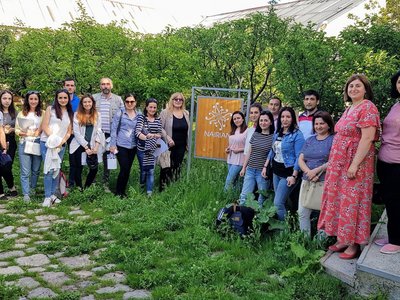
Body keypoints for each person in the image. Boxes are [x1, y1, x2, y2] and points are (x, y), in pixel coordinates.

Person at [318, 74, 380, 260]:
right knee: (340, 200)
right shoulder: (350, 108)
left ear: (365, 89)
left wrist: (354, 164)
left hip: (355, 164)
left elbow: (367, 138)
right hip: (340, 164)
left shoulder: (368, 107)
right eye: (350, 86)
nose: (353, 89)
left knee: (352, 202)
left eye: (357, 86)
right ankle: (343, 238)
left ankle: (353, 245)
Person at [262, 107, 305, 221]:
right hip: (276, 172)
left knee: (278, 203)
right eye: (282, 117)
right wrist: (265, 166)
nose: (285, 119)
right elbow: (272, 151)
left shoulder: (297, 135)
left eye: (288, 117)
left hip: (288, 174)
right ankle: (287, 221)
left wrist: (294, 175)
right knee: (281, 201)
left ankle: (283, 230)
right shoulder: (278, 133)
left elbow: (299, 157)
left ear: (292, 119)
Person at [375, 70, 400, 254]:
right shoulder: (396, 105)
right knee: (390, 201)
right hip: (385, 161)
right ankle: (393, 235)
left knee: (396, 201)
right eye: (399, 82)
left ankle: (397, 241)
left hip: (398, 164)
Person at [297, 111, 334, 235]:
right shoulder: (310, 140)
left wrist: (316, 172)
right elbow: (301, 159)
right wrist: (309, 172)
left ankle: (320, 242)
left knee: (324, 213)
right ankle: (305, 240)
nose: (318, 126)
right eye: (316, 123)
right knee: (302, 212)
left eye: (322, 123)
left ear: (329, 124)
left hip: (324, 182)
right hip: (307, 180)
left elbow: (334, 160)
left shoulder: (333, 140)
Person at [40, 89, 73, 207]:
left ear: (68, 99)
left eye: (65, 98)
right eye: (60, 98)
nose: (63, 100)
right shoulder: (50, 109)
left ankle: (53, 195)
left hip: (60, 146)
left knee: (56, 170)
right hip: (47, 143)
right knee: (49, 169)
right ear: (56, 98)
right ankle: (47, 197)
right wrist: (54, 140)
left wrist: (62, 142)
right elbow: (44, 126)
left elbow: (69, 131)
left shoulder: (70, 112)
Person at [93, 77, 123, 191]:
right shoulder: (94, 98)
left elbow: (123, 116)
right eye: (103, 84)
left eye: (107, 84)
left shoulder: (117, 99)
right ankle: (93, 182)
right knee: (94, 158)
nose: (105, 86)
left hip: (110, 135)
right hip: (97, 134)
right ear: (100, 86)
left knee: (108, 159)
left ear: (111, 86)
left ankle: (105, 183)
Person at [239, 110, 274, 206]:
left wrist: (266, 168)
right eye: (261, 120)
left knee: (262, 197)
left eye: (266, 120)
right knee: (244, 195)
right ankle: (241, 215)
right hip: (250, 169)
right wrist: (244, 168)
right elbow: (249, 151)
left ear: (271, 122)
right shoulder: (255, 134)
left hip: (262, 172)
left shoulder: (273, 137)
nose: (263, 123)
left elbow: (271, 155)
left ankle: (258, 218)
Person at [69, 94, 103, 190]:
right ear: (82, 104)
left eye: (89, 102)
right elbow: (76, 132)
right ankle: (79, 187)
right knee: (77, 167)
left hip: (93, 144)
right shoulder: (77, 115)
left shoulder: (97, 115)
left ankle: (87, 187)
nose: (87, 104)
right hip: (79, 144)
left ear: (92, 103)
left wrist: (96, 146)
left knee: (94, 168)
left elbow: (99, 131)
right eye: (85, 102)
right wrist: (86, 147)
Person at [15, 91, 44, 202]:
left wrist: (39, 131)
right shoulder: (22, 113)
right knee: (25, 171)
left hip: (37, 142)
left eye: (35, 99)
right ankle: (26, 194)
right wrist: (24, 133)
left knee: (36, 169)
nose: (33, 101)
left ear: (38, 100)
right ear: (27, 100)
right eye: (31, 99)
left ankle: (32, 188)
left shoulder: (43, 113)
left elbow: (45, 127)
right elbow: (17, 129)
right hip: (24, 142)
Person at [109, 93, 139, 198]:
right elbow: (113, 129)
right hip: (121, 145)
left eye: (132, 101)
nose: (130, 103)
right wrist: (113, 144)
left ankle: (123, 191)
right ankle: (118, 192)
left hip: (133, 146)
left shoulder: (139, 114)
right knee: (124, 168)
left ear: (135, 102)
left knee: (127, 169)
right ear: (125, 102)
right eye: (127, 101)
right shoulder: (120, 113)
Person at [159, 92, 190, 191]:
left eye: (180, 99)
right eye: (175, 99)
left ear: (183, 101)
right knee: (166, 166)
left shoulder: (186, 113)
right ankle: (162, 188)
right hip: (168, 144)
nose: (178, 101)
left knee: (177, 166)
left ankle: (174, 188)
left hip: (181, 145)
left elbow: (188, 129)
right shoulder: (165, 112)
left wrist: (188, 144)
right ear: (172, 100)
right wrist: (167, 137)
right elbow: (159, 127)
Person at [135, 98, 162, 196]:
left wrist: (155, 135)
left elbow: (159, 133)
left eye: (154, 107)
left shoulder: (158, 119)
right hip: (142, 149)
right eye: (150, 107)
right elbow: (137, 132)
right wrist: (147, 137)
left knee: (151, 170)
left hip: (153, 149)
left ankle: (149, 193)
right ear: (146, 107)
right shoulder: (142, 118)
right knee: (144, 170)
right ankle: (142, 185)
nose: (152, 109)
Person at [0, 90, 18, 198]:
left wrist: (12, 129)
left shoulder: (15, 113)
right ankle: (1, 192)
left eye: (9, 99)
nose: (7, 101)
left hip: (10, 141)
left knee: (7, 165)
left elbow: (21, 127)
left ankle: (11, 187)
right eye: (4, 98)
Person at [63, 78, 80, 188]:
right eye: (67, 85)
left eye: (72, 85)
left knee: (73, 158)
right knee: (57, 157)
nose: (70, 87)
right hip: (61, 133)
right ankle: (58, 182)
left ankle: (72, 182)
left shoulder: (78, 101)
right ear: (64, 86)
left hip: (74, 134)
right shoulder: (59, 99)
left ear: (74, 87)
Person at [224, 111, 247, 191]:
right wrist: (227, 149)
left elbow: (250, 147)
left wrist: (239, 150)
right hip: (230, 159)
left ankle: (224, 198)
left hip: (239, 160)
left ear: (243, 119)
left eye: (238, 118)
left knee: (228, 181)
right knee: (235, 181)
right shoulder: (233, 130)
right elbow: (231, 144)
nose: (236, 120)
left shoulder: (247, 131)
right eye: (234, 119)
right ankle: (234, 198)